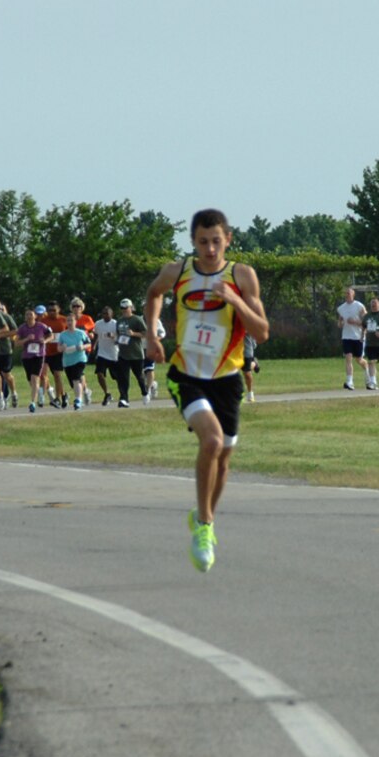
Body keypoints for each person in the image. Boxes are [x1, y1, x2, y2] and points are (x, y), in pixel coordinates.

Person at [143, 209, 268, 574]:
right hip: (186, 375)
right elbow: (153, 294)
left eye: (216, 241)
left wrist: (235, 301)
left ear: (228, 239)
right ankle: (205, 526)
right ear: (193, 242)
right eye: (202, 242)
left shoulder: (242, 275)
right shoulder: (178, 272)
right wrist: (152, 334)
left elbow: (261, 333)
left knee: (224, 459)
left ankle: (202, 518)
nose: (210, 249)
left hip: (228, 378)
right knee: (211, 442)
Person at [114, 298, 149, 406]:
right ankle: (124, 399)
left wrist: (133, 334)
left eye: (126, 308)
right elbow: (118, 334)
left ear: (131, 308)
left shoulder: (137, 319)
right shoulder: (119, 321)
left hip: (136, 354)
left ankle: (144, 392)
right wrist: (117, 340)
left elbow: (146, 334)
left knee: (139, 376)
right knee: (123, 378)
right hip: (123, 354)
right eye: (122, 308)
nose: (124, 310)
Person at [16, 308, 53, 412]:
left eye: (31, 314)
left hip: (39, 355)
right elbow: (16, 343)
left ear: (35, 316)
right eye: (27, 315)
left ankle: (32, 402)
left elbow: (51, 335)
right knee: (30, 380)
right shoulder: (22, 328)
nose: (29, 316)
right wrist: (27, 339)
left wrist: (45, 341)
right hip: (26, 357)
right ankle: (38, 392)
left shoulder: (41, 326)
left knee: (35, 377)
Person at [55, 312, 91, 409]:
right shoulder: (63, 335)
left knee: (76, 379)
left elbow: (89, 344)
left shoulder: (81, 333)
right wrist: (62, 347)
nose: (70, 322)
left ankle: (78, 400)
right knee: (73, 383)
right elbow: (58, 348)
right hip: (67, 361)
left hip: (80, 359)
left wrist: (82, 347)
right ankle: (84, 392)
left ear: (76, 321)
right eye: (68, 321)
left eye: (72, 320)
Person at [336, 287, 368, 390]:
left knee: (359, 360)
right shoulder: (341, 308)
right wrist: (340, 323)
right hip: (346, 336)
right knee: (348, 357)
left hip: (358, 337)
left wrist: (355, 322)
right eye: (346, 294)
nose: (347, 295)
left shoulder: (359, 306)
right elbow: (339, 323)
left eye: (349, 293)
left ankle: (367, 371)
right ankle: (350, 382)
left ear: (353, 295)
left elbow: (366, 322)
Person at [93, 306, 120, 406]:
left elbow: (120, 339)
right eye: (103, 313)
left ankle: (123, 393)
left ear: (111, 314)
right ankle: (107, 393)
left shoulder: (116, 324)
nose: (105, 315)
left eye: (107, 313)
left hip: (114, 354)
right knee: (99, 373)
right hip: (102, 353)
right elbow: (96, 335)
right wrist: (94, 345)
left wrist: (113, 336)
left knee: (117, 377)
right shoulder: (98, 323)